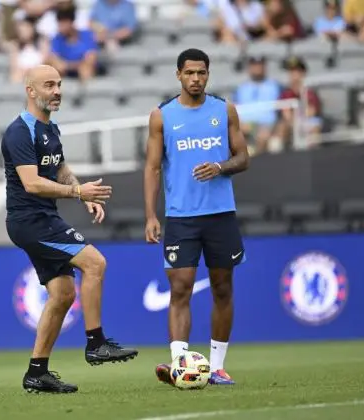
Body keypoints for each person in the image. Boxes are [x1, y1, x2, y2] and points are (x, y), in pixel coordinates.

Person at [1, 64, 138, 394]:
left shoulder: (50, 129)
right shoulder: (20, 131)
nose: (58, 90)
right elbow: (32, 183)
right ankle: (96, 343)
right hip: (31, 221)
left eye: (60, 84)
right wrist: (78, 192)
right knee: (96, 263)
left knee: (62, 295)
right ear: (31, 91)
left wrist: (80, 192)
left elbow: (59, 168)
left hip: (42, 218)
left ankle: (37, 373)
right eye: (49, 85)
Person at [143, 49, 250, 386]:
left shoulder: (224, 110)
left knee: (222, 288)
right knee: (181, 289)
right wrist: (150, 215)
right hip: (181, 217)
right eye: (189, 73)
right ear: (178, 75)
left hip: (220, 215)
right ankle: (181, 365)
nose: (195, 79)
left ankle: (217, 366)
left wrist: (220, 167)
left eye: (201, 73)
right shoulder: (162, 116)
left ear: (208, 74)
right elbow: (152, 167)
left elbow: (243, 157)